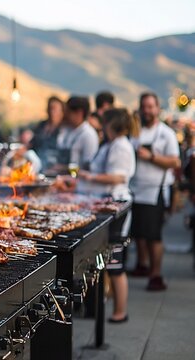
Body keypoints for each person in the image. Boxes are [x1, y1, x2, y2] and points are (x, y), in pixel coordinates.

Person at [77, 108, 137, 323]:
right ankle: (108, 303)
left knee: (115, 261)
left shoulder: (121, 146)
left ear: (112, 124)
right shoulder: (112, 144)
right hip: (108, 204)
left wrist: (88, 176)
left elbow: (117, 177)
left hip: (117, 206)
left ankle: (121, 311)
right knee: (109, 259)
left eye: (104, 123)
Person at [129, 92, 181, 291]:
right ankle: (142, 265)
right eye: (145, 107)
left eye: (151, 107)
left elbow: (175, 161)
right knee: (140, 233)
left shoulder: (166, 133)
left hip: (155, 190)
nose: (148, 111)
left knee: (153, 235)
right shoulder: (136, 132)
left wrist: (151, 157)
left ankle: (156, 275)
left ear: (157, 108)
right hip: (136, 189)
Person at [56, 96, 99, 171]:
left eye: (68, 112)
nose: (65, 115)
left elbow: (88, 167)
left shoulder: (88, 135)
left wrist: (64, 168)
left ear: (79, 113)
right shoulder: (67, 130)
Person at [31, 96, 64, 171]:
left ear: (62, 112)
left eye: (55, 109)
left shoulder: (64, 130)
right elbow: (32, 143)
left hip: (54, 170)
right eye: (50, 108)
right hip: (37, 168)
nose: (52, 112)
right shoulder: (41, 125)